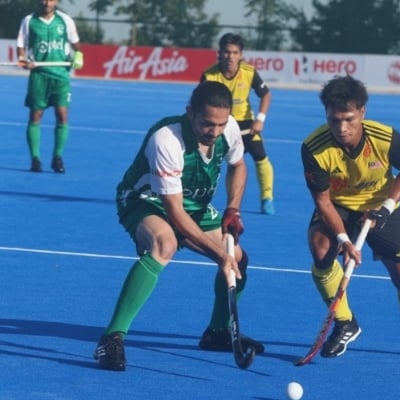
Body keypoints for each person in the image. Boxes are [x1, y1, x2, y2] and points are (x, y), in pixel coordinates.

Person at [93, 81, 264, 372]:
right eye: (207, 123)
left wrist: (233, 208)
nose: (215, 131)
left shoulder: (229, 128)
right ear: (190, 112)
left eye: (220, 124)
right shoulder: (167, 140)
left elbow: (238, 166)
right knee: (165, 243)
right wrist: (219, 254)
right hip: (146, 200)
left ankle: (218, 332)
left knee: (238, 259)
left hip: (192, 204)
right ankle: (111, 338)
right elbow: (174, 213)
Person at [301, 75, 400, 361]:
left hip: (381, 205)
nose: (342, 128)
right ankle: (345, 322)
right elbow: (322, 201)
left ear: (362, 112)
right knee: (321, 249)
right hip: (339, 205)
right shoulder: (314, 147)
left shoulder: (385, 138)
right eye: (334, 120)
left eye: (348, 119)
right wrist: (344, 239)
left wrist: (387, 204)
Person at [201, 33, 276, 215]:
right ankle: (199, 197)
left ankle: (267, 199)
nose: (230, 57)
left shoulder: (249, 72)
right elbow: (200, 103)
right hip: (220, 125)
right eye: (226, 52)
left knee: (261, 157)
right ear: (219, 53)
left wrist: (260, 119)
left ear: (241, 54)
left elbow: (266, 95)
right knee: (207, 161)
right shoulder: (209, 75)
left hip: (246, 125)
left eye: (234, 53)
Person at [16, 0, 83, 173]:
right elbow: (21, 46)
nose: (47, 2)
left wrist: (79, 55)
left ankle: (57, 157)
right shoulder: (29, 20)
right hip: (39, 74)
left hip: (61, 74)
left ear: (57, 2)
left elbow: (76, 43)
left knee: (62, 115)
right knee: (36, 115)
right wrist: (23, 60)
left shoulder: (65, 20)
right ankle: (35, 159)